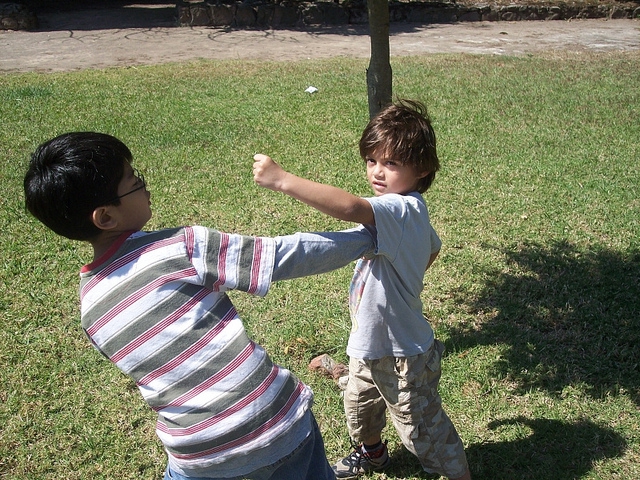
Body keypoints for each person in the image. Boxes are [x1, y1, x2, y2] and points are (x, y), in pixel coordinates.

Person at [23, 131, 378, 480]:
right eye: (134, 180)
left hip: (198, 455)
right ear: (105, 217)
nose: (145, 185)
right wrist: (368, 237)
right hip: (274, 424)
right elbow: (286, 256)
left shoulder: (90, 310)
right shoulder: (178, 247)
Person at [252, 99, 471, 480]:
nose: (378, 172)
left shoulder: (400, 210)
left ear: (422, 169)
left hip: (403, 355)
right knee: (359, 408)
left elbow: (352, 208)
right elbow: (433, 246)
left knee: (422, 430)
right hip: (368, 346)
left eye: (391, 163)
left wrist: (282, 179)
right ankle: (372, 454)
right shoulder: (409, 215)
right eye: (372, 161)